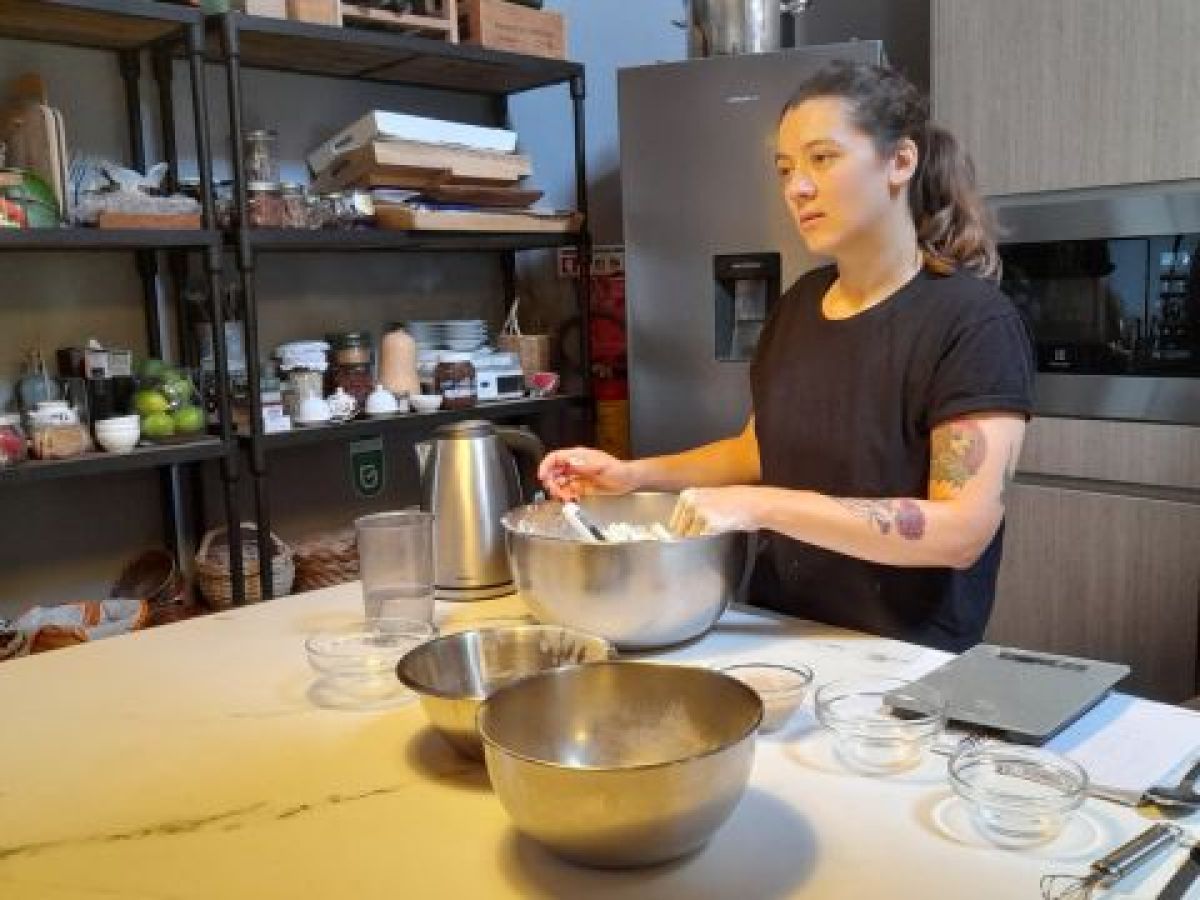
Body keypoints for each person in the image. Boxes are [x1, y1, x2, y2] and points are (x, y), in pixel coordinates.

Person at [539, 61, 1035, 654]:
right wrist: (630, 475)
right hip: (779, 635)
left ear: (900, 162)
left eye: (822, 159)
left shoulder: (973, 323)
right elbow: (759, 447)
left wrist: (764, 506)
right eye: (785, 168)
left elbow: (960, 533)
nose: (797, 187)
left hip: (906, 660)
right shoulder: (799, 306)